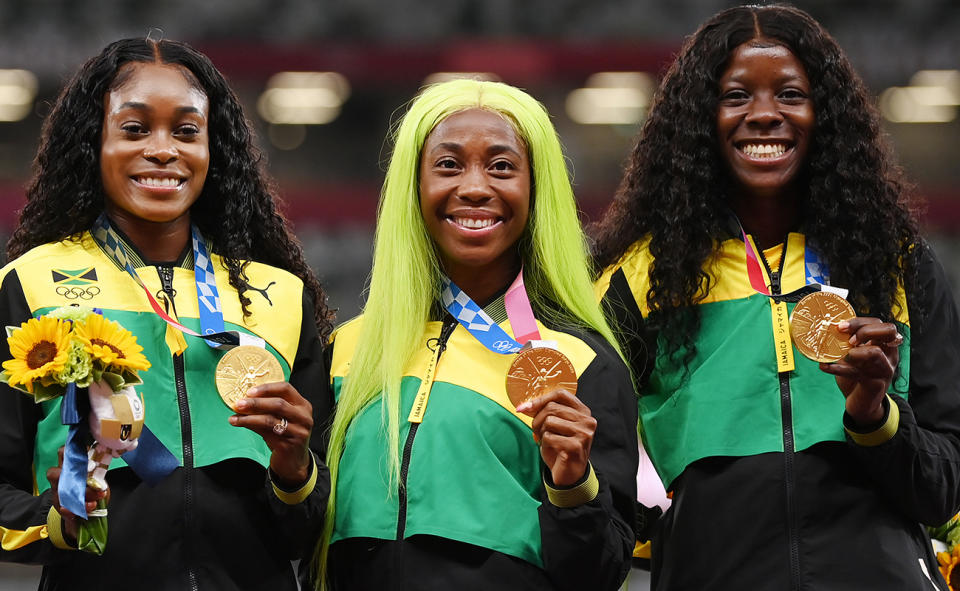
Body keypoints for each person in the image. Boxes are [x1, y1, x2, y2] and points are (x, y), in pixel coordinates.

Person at [592, 5, 960, 590]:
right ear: (698, 119)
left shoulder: (895, 262)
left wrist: (874, 415)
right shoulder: (636, 277)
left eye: (791, 95)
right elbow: (601, 484)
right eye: (735, 97)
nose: (764, 115)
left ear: (826, 114)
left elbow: (942, 490)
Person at [0, 38, 333, 590]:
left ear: (212, 148)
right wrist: (56, 518)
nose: (163, 150)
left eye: (185, 131)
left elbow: (313, 526)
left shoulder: (279, 296)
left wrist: (295, 470)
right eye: (134, 129)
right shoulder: (30, 285)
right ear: (93, 144)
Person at [314, 79, 638, 590]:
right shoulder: (344, 351)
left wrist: (573, 484)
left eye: (502, 166)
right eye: (448, 164)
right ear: (412, 186)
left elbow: (600, 575)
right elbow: (296, 535)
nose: (474, 187)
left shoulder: (580, 361)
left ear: (537, 188)